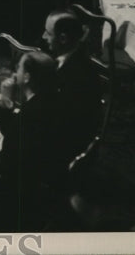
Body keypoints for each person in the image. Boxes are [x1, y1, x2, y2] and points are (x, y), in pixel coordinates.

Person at [0, 51, 65, 227]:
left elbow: (12, 144)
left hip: (17, 189)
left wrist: (5, 100)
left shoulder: (32, 113)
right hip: (45, 173)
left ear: (27, 77)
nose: (15, 72)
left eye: (19, 68)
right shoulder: (51, 99)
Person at [42, 10, 102, 161]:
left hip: (61, 148)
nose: (43, 37)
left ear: (62, 38)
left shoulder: (78, 74)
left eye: (48, 33)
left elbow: (58, 123)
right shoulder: (71, 58)